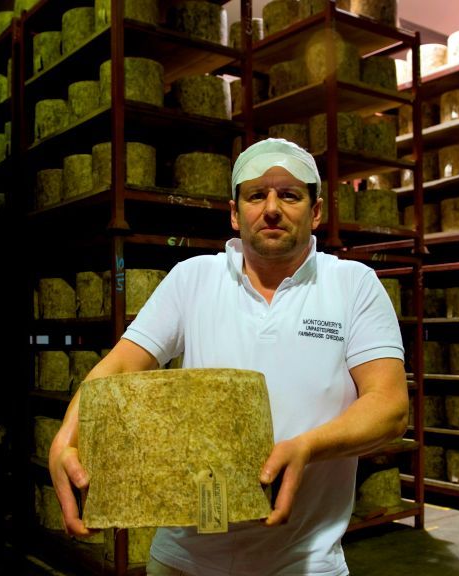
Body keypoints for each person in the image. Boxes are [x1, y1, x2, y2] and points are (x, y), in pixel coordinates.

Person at [49, 138, 409, 575]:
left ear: (316, 212)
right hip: (186, 560)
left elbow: (389, 406)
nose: (271, 208)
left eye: (290, 194)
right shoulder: (194, 279)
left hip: (304, 562)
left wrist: (306, 447)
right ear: (235, 212)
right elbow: (121, 366)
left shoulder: (353, 285)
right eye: (256, 195)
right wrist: (67, 438)